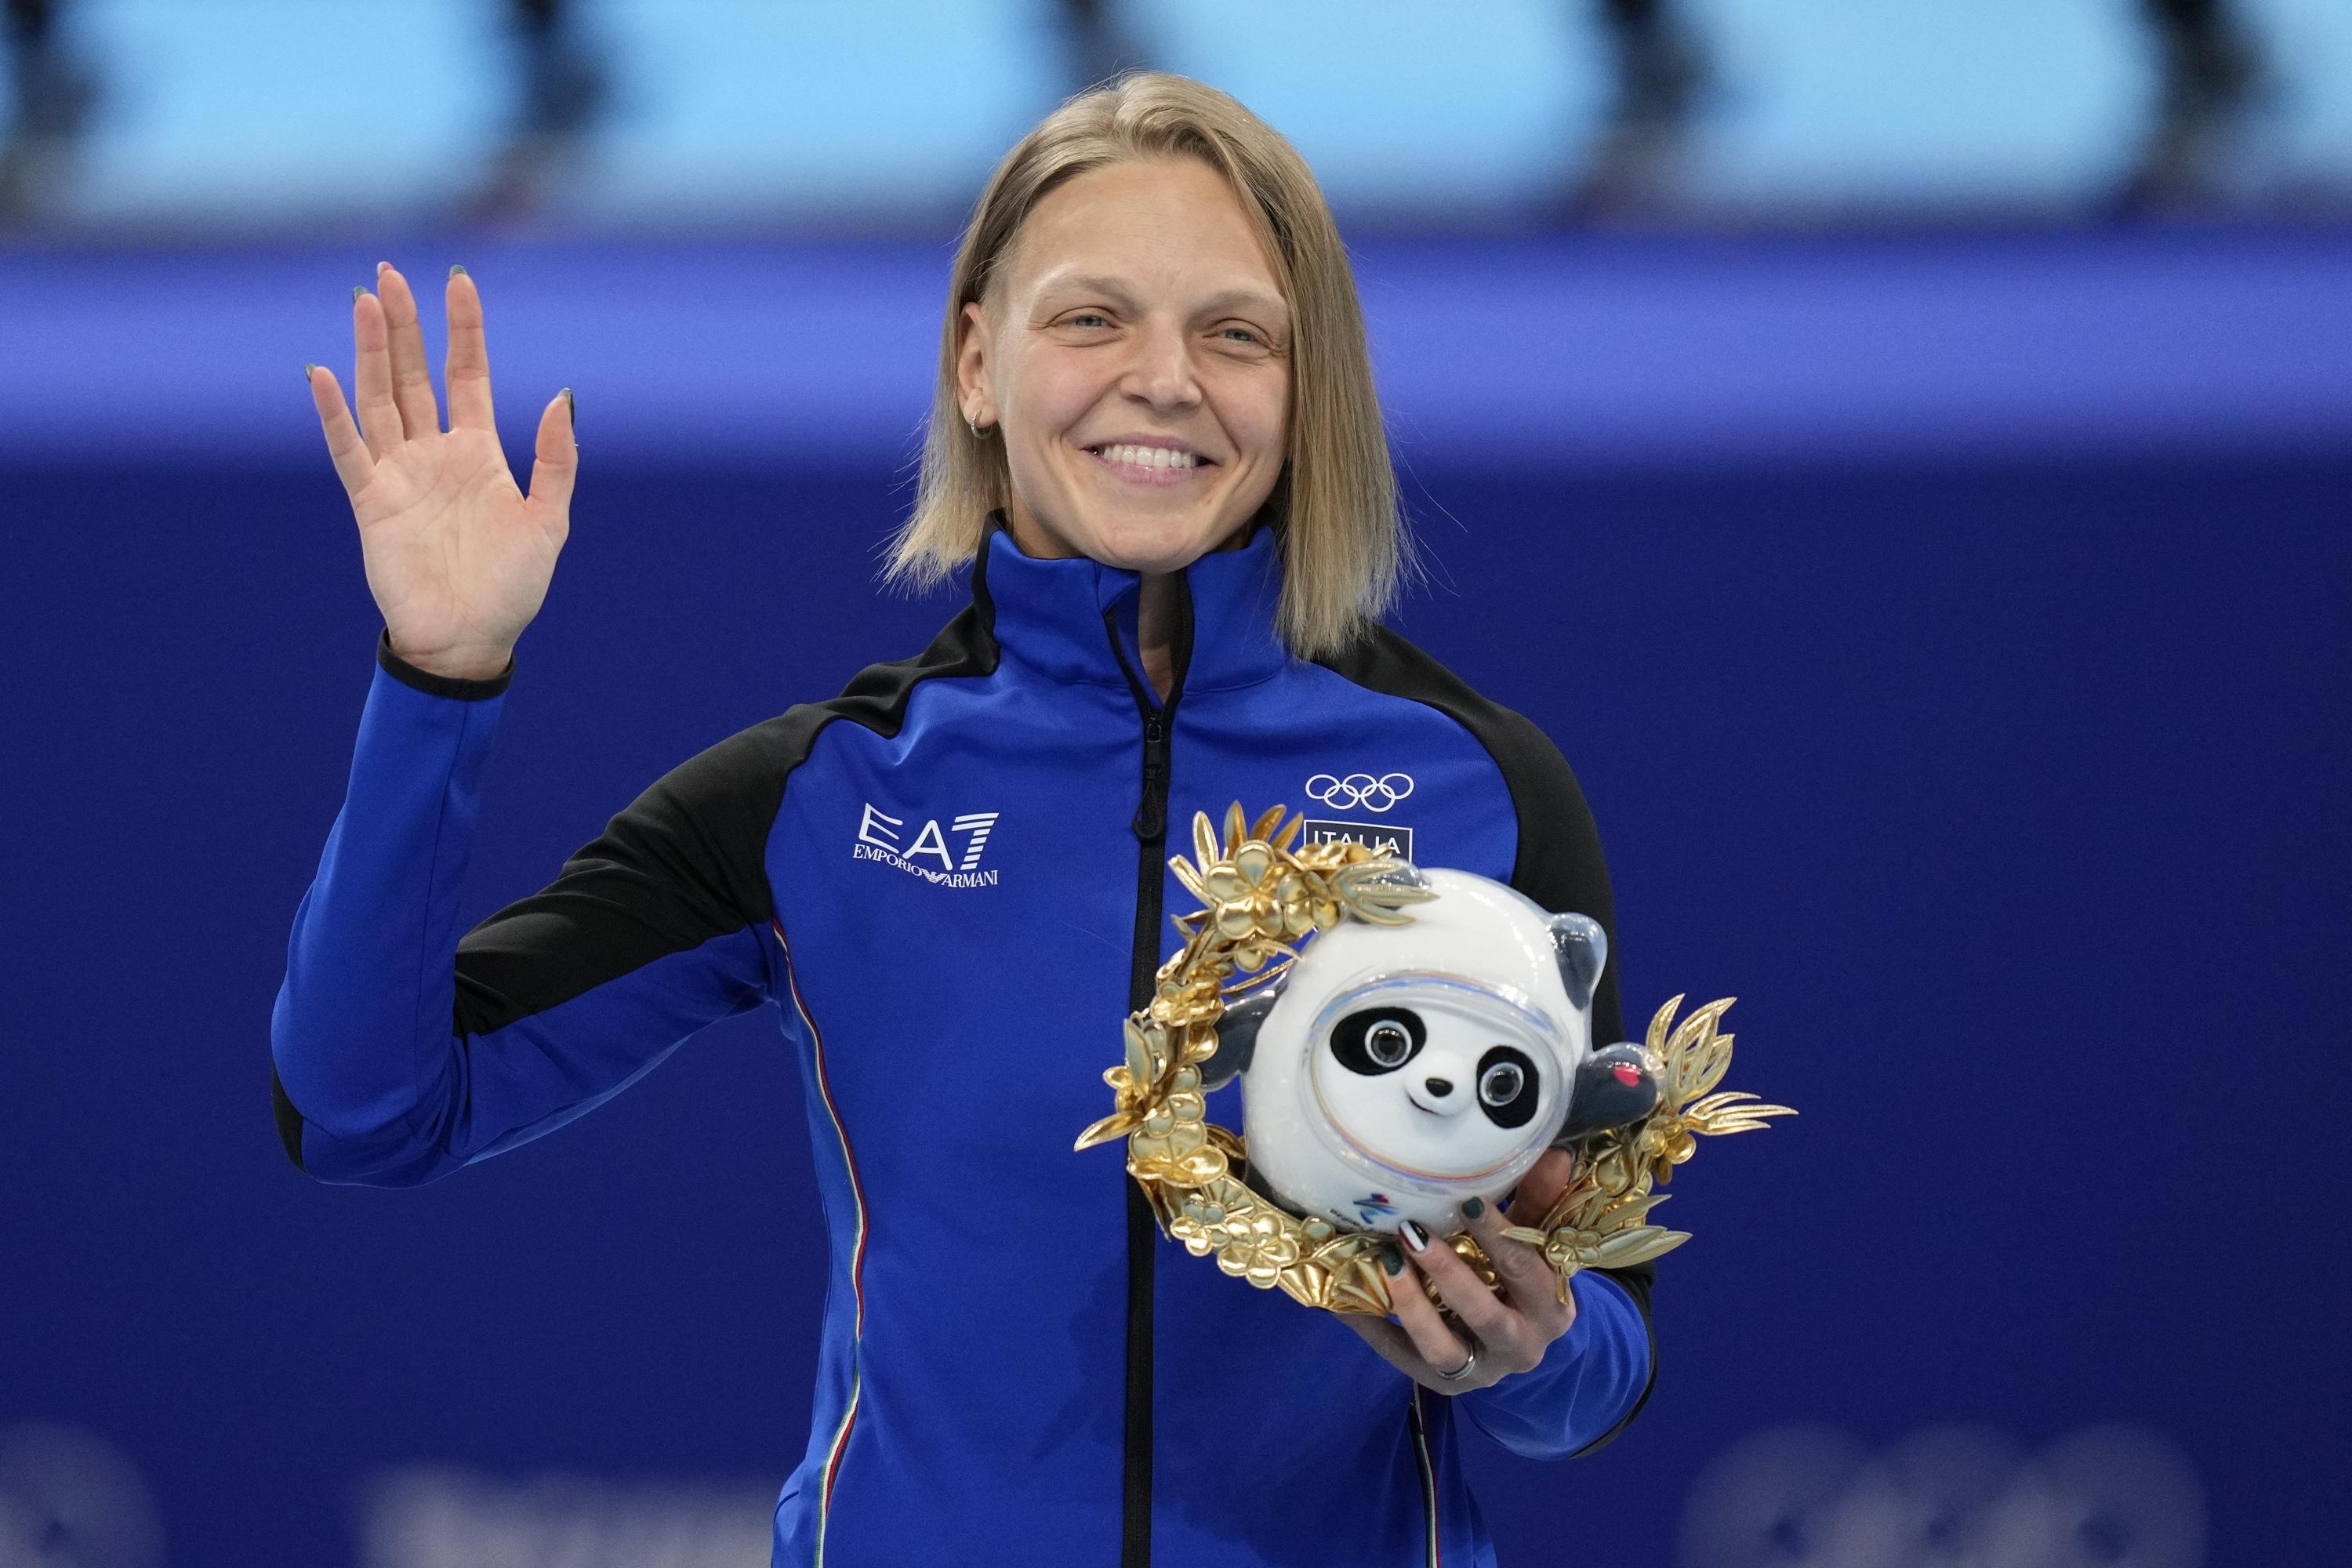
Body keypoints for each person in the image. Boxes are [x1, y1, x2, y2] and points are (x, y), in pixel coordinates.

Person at [275, 71, 1656, 1568]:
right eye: (1091, 318)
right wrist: (440, 677)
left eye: (1235, 332)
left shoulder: (1480, 788)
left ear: (1306, 386)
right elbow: (369, 1110)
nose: (1166, 379)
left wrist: (1538, 1349)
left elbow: (1603, 1366)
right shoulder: (828, 796)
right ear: (976, 365)